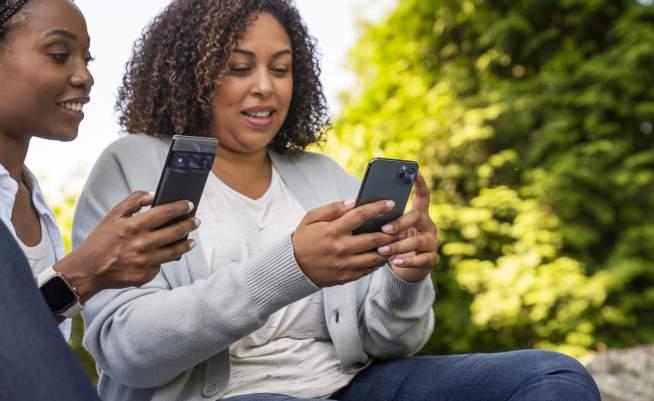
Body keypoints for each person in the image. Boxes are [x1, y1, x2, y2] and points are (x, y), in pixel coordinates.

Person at [72, 1, 602, 401]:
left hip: (348, 387)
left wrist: (404, 278)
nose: (265, 87)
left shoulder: (323, 176)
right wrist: (292, 267)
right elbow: (128, 354)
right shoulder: (133, 165)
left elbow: (392, 343)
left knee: (552, 378)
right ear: (191, 73)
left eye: (280, 69)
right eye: (239, 68)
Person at [0, 0, 199, 400]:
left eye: (86, 58)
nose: (85, 76)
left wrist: (79, 280)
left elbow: (4, 352)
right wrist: (81, 273)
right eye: (60, 56)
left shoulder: (34, 205)